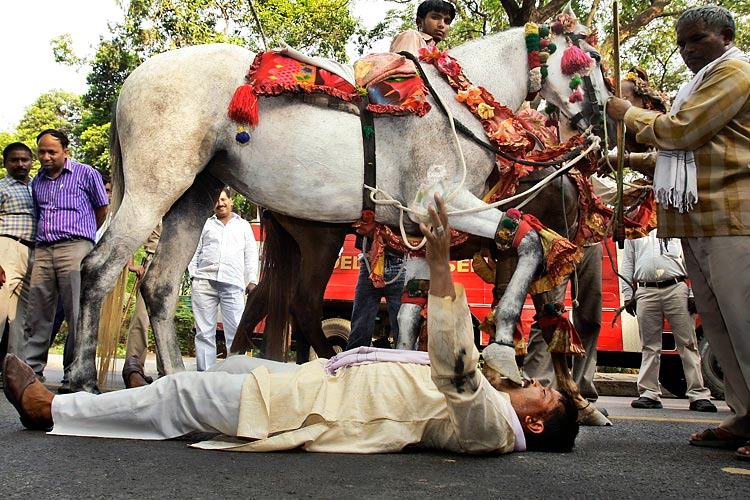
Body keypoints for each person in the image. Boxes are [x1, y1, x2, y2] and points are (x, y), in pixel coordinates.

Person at [2, 193, 580, 454]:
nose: (537, 384)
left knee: (180, 395)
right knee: (217, 372)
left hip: (305, 410)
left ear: (532, 425)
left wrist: (435, 266)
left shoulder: (495, 428)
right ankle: (117, 403)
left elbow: (458, 377)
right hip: (313, 385)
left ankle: (51, 409)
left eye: (545, 394)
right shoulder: (500, 413)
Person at [607, 5, 750, 458]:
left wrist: (627, 115)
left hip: (733, 218)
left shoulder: (737, 73)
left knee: (744, 324)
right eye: (682, 44)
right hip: (697, 220)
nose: (687, 51)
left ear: (726, 35)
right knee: (723, 328)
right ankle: (745, 415)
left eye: (697, 40)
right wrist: (623, 160)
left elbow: (682, 133)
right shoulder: (699, 82)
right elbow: (684, 156)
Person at [23, 129, 109, 393]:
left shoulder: (86, 174)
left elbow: (102, 209)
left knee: (76, 313)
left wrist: (85, 241)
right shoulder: (37, 180)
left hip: (75, 246)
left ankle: (74, 375)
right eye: (42, 152)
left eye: (52, 152)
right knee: (38, 313)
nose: (46, 157)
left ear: (66, 152)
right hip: (44, 249)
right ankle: (31, 374)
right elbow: (39, 214)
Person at [620, 229, 716, 412]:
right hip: (645, 290)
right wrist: (627, 294)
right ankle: (648, 393)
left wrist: (693, 293)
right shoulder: (635, 230)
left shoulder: (675, 227)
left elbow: (691, 260)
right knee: (649, 345)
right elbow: (627, 263)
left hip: (676, 287)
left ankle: (698, 395)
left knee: (687, 344)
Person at [188, 188, 258, 371]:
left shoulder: (243, 226)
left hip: (233, 284)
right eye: (217, 201)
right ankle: (206, 376)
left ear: (231, 201)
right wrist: (194, 274)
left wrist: (252, 280)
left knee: (235, 331)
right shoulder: (206, 224)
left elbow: (251, 255)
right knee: (204, 332)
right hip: (205, 281)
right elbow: (194, 251)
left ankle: (234, 375)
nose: (220, 204)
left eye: (224, 199)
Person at [0, 143, 35, 367]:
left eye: (25, 159)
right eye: (15, 160)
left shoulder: (38, 186)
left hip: (34, 251)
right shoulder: (2, 187)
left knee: (22, 318)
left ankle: (13, 371)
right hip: (6, 247)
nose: (20, 164)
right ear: (5, 163)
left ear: (32, 162)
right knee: (0, 312)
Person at [122, 224, 163, 386]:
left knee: (164, 321)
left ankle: (166, 370)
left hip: (173, 263)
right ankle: (133, 368)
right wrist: (131, 263)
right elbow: (131, 230)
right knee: (141, 317)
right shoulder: (153, 204)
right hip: (151, 261)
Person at [389, 0, 455, 55]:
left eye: (447, 21)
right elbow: (405, 68)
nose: (442, 25)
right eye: (435, 17)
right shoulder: (411, 36)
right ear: (419, 21)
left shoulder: (436, 51)